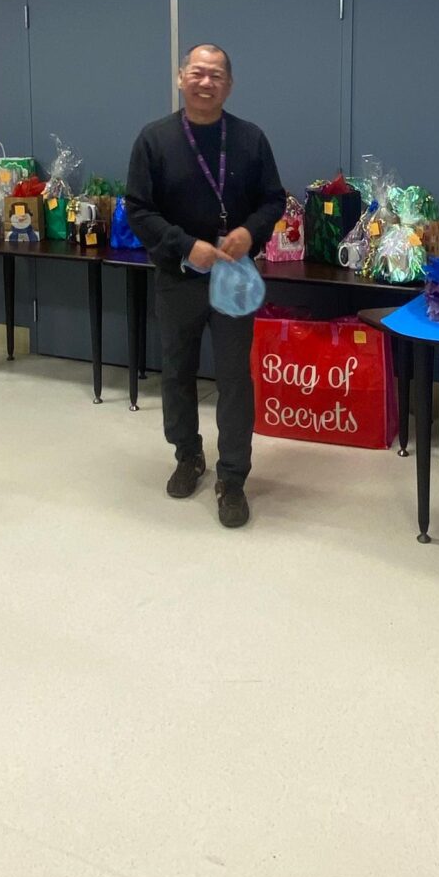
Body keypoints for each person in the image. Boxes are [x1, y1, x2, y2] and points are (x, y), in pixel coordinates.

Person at [126, 44, 285, 528]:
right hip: (179, 276)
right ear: (181, 78)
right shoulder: (154, 139)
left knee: (235, 378)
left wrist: (250, 233)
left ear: (229, 85)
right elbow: (138, 209)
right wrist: (183, 245)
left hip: (233, 277)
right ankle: (188, 456)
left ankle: (232, 478)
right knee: (177, 371)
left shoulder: (250, 138)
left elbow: (273, 200)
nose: (205, 82)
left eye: (216, 75)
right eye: (197, 72)